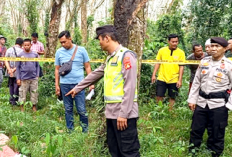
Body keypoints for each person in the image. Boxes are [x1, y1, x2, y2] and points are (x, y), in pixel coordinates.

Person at [66, 25, 140, 156]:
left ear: (107, 38)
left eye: (99, 39)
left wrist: (123, 114)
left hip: (124, 115)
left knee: (129, 152)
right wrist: (77, 88)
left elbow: (130, 87)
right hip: (111, 114)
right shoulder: (110, 58)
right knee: (114, 150)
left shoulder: (126, 56)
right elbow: (95, 74)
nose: (99, 43)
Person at [188, 37, 232, 157]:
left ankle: (215, 152)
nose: (213, 48)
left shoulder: (228, 65)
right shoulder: (204, 62)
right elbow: (196, 81)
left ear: (224, 49)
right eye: (211, 46)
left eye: (216, 46)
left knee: (217, 130)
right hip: (202, 101)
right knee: (196, 128)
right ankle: (193, 150)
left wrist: (229, 105)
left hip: (218, 103)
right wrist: (192, 99)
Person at [55, 30, 94, 133]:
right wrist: (57, 85)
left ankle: (85, 130)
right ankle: (70, 130)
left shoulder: (81, 50)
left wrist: (91, 83)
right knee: (68, 109)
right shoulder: (59, 52)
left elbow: (87, 66)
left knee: (81, 109)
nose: (63, 44)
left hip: (79, 85)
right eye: (61, 43)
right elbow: (57, 69)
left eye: (64, 42)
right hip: (65, 84)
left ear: (70, 38)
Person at [151, 34, 185, 110]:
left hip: (174, 78)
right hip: (162, 77)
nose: (175, 43)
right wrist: (154, 75)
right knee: (159, 95)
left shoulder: (181, 53)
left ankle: (170, 111)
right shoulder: (162, 50)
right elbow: (157, 63)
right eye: (173, 42)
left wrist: (180, 80)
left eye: (176, 42)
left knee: (172, 96)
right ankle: (159, 110)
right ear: (168, 41)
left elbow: (181, 66)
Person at [16, 39, 40, 112]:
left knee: (34, 92)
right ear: (23, 45)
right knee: (22, 93)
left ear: (31, 45)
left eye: (28, 45)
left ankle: (34, 106)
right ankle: (22, 107)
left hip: (33, 77)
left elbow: (37, 66)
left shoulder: (35, 54)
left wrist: (37, 75)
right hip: (23, 78)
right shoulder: (20, 55)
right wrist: (18, 78)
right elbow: (18, 67)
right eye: (25, 45)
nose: (26, 46)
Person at [5, 38, 24, 105]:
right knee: (16, 85)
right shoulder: (22, 51)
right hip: (17, 72)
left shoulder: (9, 49)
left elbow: (6, 60)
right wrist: (14, 69)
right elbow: (21, 62)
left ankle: (11, 99)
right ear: (22, 44)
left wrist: (9, 70)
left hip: (10, 72)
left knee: (11, 85)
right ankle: (15, 100)